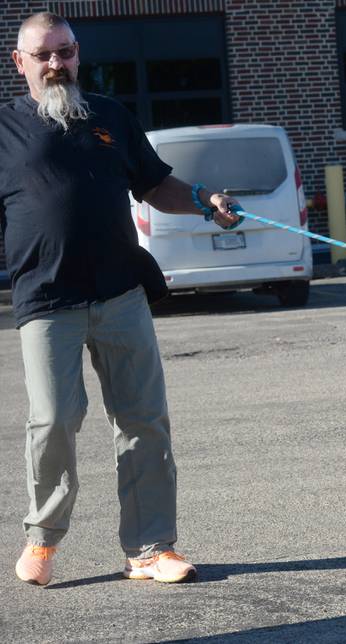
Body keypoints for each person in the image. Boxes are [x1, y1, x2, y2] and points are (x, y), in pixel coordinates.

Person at [1, 12, 243, 586]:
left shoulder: (109, 116)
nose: (57, 64)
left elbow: (156, 184)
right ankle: (43, 537)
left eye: (66, 51)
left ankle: (151, 548)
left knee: (143, 420)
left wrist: (206, 201)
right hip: (46, 299)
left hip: (120, 292)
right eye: (45, 55)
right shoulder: (4, 131)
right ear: (20, 63)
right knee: (54, 419)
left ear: (78, 53)